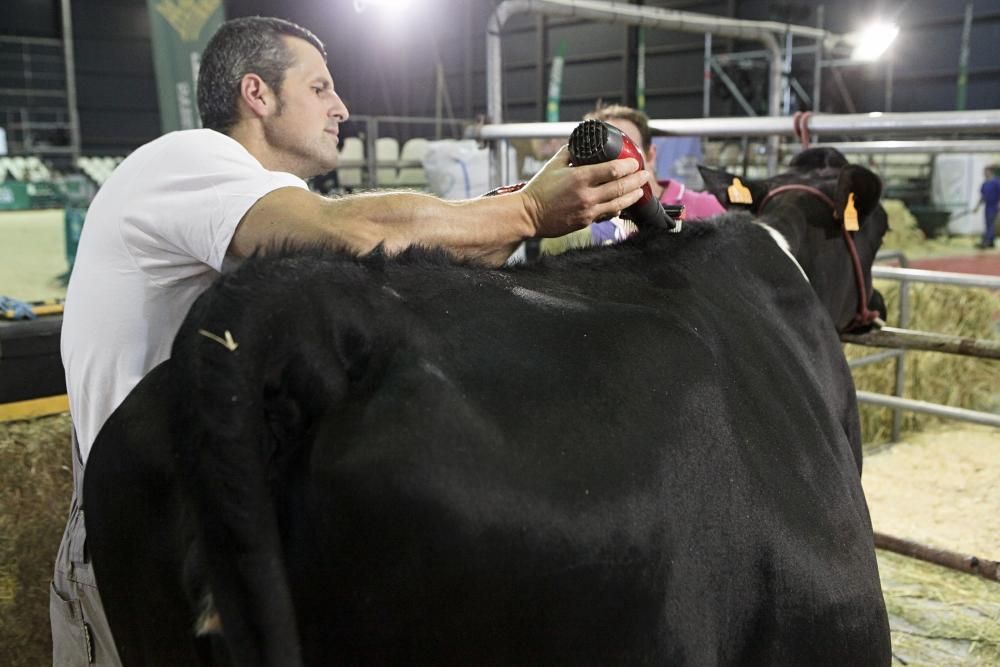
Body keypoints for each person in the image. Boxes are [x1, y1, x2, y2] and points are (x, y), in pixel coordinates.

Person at [50, 16, 648, 667]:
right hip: (135, 539)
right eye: (320, 87)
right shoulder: (188, 158)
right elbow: (352, 233)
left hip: (211, 529)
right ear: (258, 94)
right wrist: (529, 210)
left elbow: (408, 267)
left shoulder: (270, 201)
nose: (342, 107)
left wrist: (524, 199)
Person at [973, 164, 1000, 249]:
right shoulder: (984, 183)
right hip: (987, 206)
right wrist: (977, 206)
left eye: (986, 172)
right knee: (988, 224)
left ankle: (985, 242)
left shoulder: (997, 182)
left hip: (994, 205)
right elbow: (983, 196)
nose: (984, 173)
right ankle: (991, 242)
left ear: (990, 172)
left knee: (991, 224)